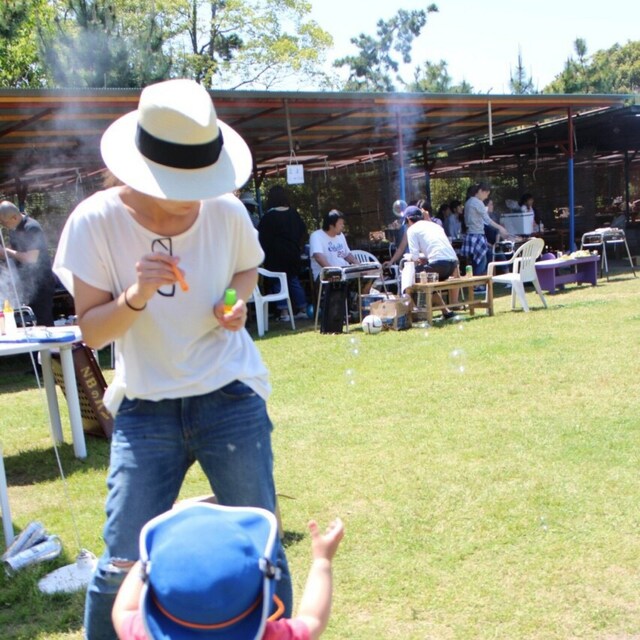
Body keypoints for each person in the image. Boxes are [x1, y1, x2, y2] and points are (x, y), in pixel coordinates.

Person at [52, 78, 292, 640]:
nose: (195, 193)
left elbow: (245, 269)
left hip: (230, 395)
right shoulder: (95, 220)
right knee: (121, 561)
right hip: (146, 407)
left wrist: (231, 302)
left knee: (262, 545)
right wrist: (136, 295)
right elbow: (92, 330)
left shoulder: (226, 210)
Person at [112, 503, 345, 640]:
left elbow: (123, 610)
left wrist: (151, 559)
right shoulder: (270, 636)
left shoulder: (143, 634)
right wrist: (322, 561)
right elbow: (312, 619)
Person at [0, 201, 55, 326]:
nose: (4, 225)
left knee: (43, 321)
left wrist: (6, 251)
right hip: (27, 283)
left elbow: (31, 258)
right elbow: (14, 250)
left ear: (14, 217)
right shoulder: (15, 229)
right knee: (30, 322)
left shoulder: (31, 228)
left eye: (5, 222)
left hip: (41, 284)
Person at [258, 185, 308, 321]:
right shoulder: (293, 214)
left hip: (275, 255)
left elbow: (262, 238)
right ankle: (303, 309)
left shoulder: (269, 217)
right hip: (292, 253)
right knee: (293, 280)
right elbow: (303, 232)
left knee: (278, 282)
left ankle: (284, 312)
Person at [404, 205, 459, 320]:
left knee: (410, 278)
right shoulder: (435, 225)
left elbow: (414, 256)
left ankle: (412, 313)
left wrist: (408, 257)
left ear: (408, 219)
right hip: (452, 264)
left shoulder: (412, 230)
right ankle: (445, 311)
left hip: (439, 265)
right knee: (427, 279)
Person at [461, 183, 508, 279]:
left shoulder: (468, 202)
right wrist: (500, 228)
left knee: (474, 262)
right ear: (480, 191)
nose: (486, 197)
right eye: (486, 194)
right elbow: (487, 220)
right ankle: (478, 284)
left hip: (470, 235)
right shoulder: (477, 202)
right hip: (477, 235)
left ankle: (474, 283)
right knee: (481, 262)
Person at [308, 210, 358, 282]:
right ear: (331, 225)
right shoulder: (316, 236)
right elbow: (318, 257)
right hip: (325, 276)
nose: (343, 226)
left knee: (366, 278)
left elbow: (347, 254)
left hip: (344, 272)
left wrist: (358, 265)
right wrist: (334, 272)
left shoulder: (341, 235)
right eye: (340, 224)